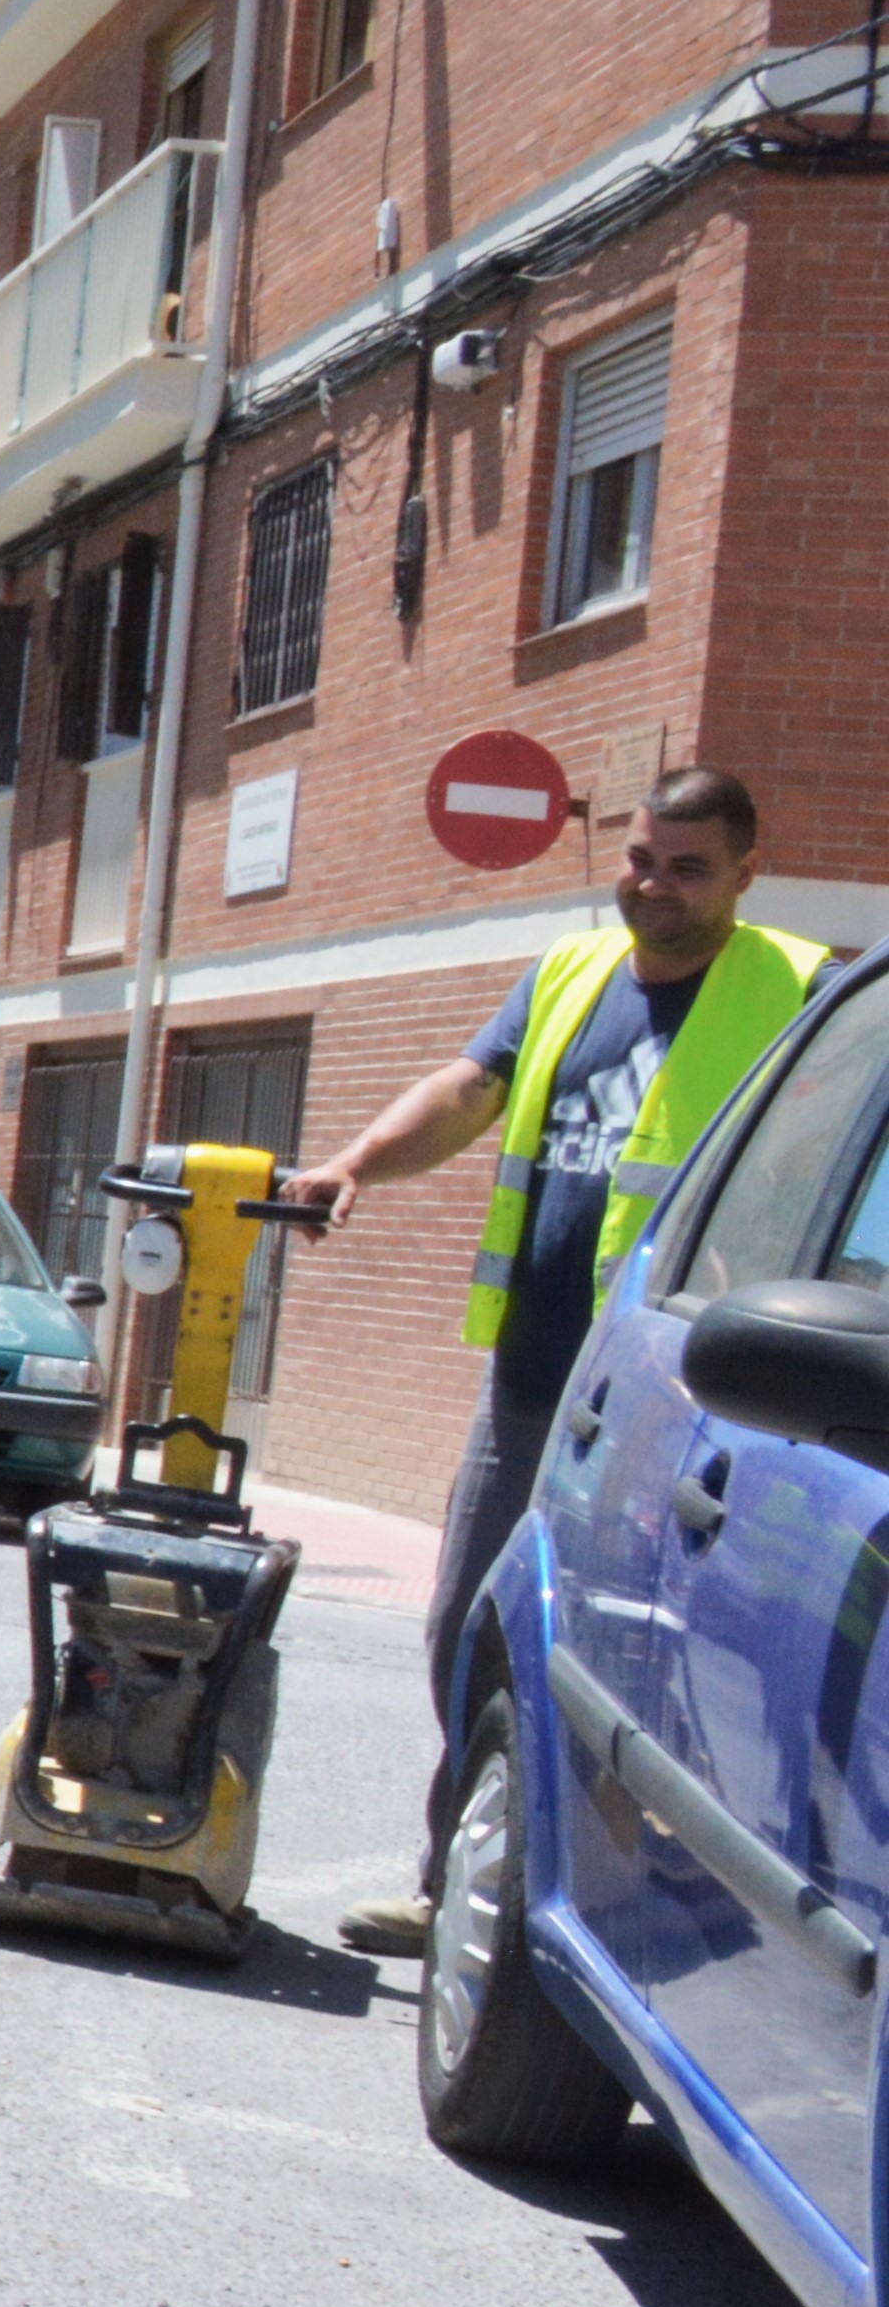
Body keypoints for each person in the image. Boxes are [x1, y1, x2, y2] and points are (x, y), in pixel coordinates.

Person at [302, 764, 820, 1944]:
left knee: (617, 1662)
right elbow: (468, 1087)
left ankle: (592, 1913)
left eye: (689, 868)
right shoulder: (571, 973)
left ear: (746, 871)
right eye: (641, 858)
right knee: (466, 1633)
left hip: (670, 1403)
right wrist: (353, 1164)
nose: (656, 886)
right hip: (535, 1384)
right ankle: (458, 1877)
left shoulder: (793, 990)